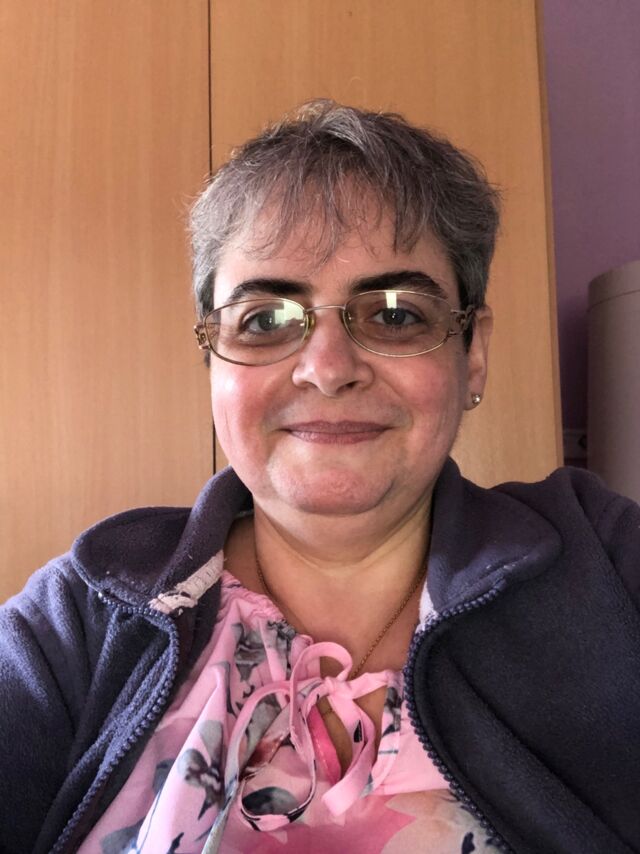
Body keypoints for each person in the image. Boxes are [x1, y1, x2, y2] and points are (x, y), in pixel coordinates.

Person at [1, 101, 639, 854]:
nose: (328, 369)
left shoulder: (605, 563)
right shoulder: (81, 614)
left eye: (396, 314)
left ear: (472, 354)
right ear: (212, 362)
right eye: (265, 319)